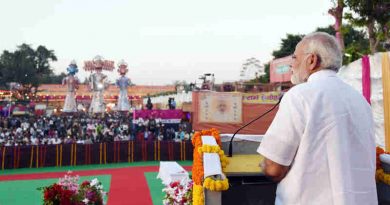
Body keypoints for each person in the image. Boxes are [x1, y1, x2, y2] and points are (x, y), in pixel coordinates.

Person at [257, 32, 377, 204]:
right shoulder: (360, 100)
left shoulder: (300, 95)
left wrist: (264, 166)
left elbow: (274, 168)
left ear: (312, 60)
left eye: (295, 57)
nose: (292, 64)